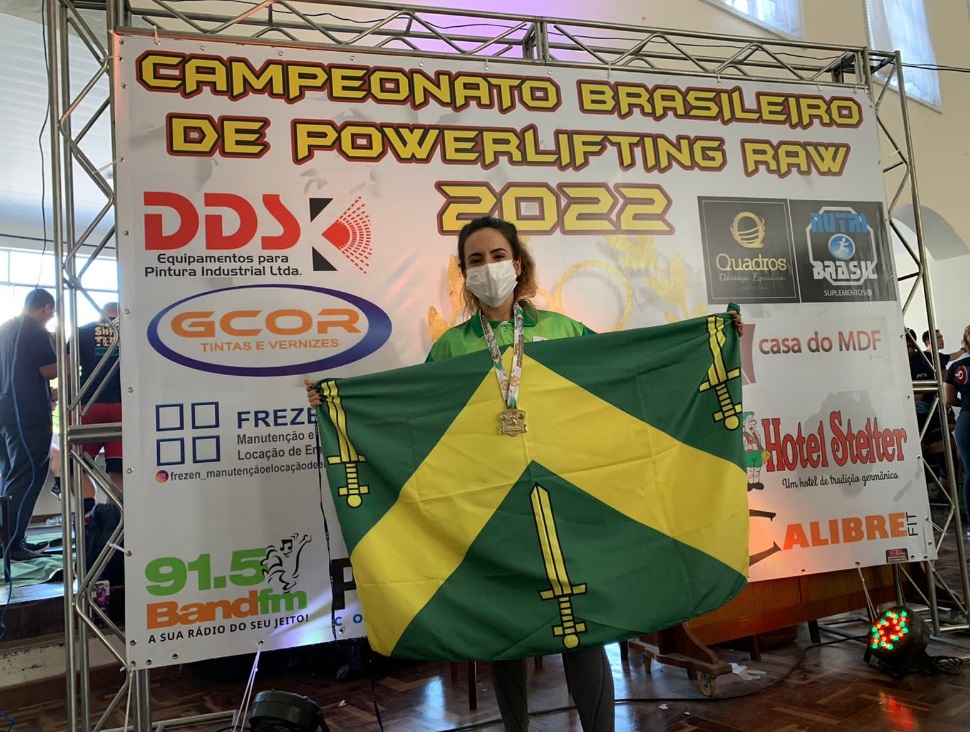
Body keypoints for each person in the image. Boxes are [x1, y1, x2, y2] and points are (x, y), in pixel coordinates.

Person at [306, 216, 743, 731]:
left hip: (567, 499)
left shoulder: (562, 330)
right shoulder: (451, 347)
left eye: (497, 256)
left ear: (517, 264)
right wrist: (338, 406)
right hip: (491, 507)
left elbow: (623, 379)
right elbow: (416, 420)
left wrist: (710, 342)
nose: (487, 267)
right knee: (505, 631)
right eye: (474, 260)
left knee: (586, 628)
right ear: (463, 273)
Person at [0, 289, 57, 561]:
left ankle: (9, 540)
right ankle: (13, 544)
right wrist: (62, 352)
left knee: (11, 477)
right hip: (27, 417)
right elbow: (50, 370)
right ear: (47, 308)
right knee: (28, 476)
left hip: (6, 414)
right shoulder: (35, 330)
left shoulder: (5, 329)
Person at [68, 302, 123, 500]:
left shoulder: (81, 332)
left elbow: (67, 370)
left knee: (76, 467)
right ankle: (115, 516)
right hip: (123, 407)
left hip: (87, 406)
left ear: (101, 314)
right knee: (120, 469)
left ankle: (88, 514)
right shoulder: (133, 333)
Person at [944, 325, 970, 534]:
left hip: (966, 422)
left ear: (964, 343)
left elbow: (949, 399)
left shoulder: (956, 368)